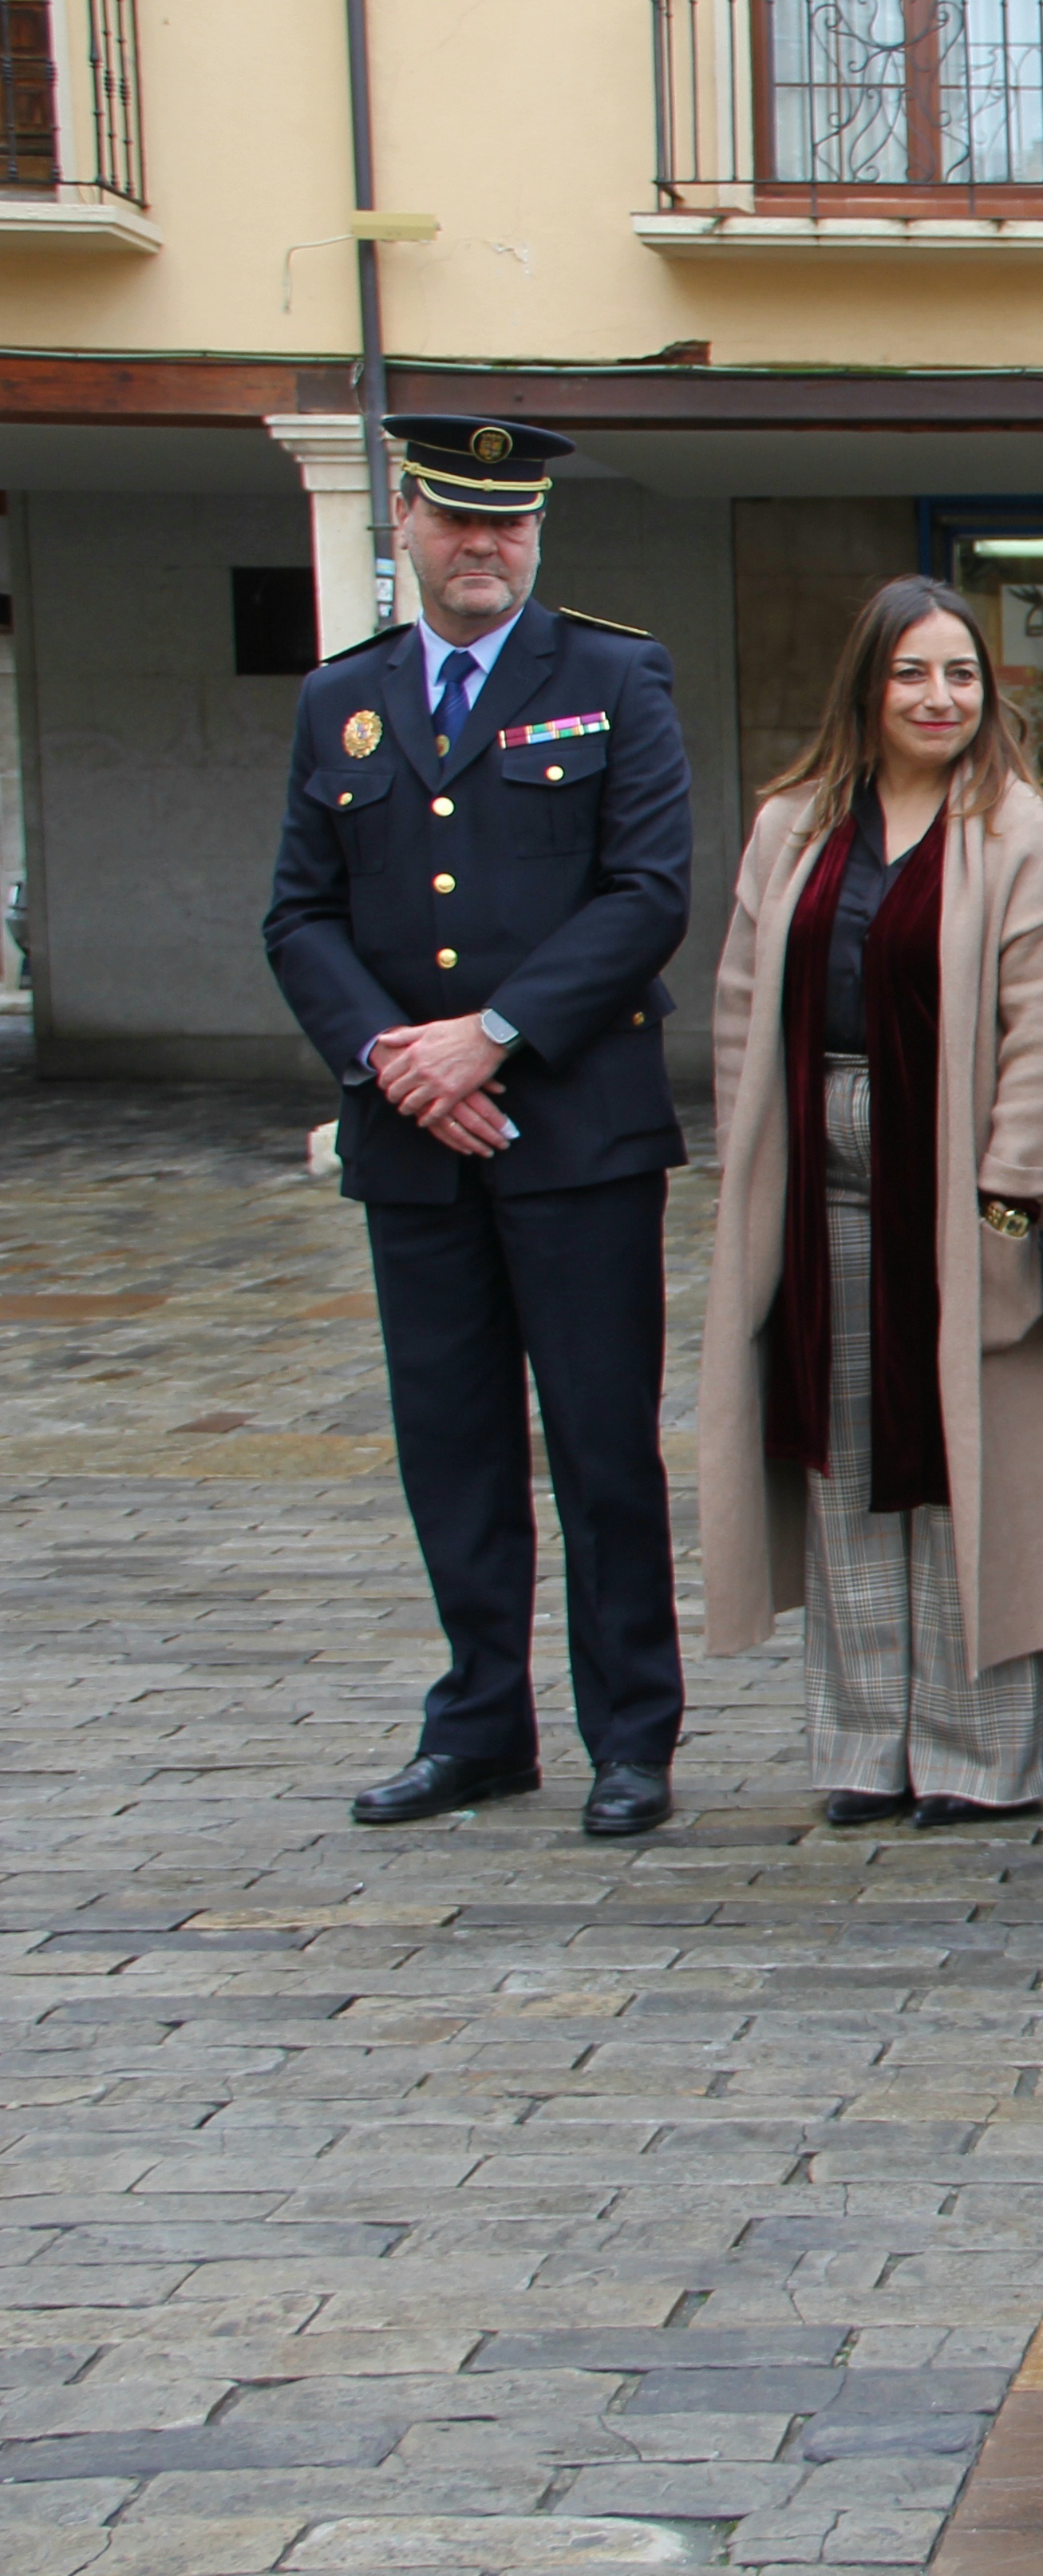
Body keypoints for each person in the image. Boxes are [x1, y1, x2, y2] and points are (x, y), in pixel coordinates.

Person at [260, 415, 696, 1840]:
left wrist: (490, 1039)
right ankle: (479, 1728)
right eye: (457, 520)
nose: (483, 547)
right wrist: (393, 1058)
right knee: (449, 1445)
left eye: (508, 524)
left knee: (600, 1446)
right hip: (413, 1142)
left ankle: (631, 1735)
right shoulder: (346, 700)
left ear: (538, 537)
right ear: (405, 523)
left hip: (574, 1138)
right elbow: (300, 913)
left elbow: (646, 895)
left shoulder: (616, 677)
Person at [695, 578, 1043, 1825]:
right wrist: (751, 1162)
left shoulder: (1019, 831)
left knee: (966, 1471)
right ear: (867, 690)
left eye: (963, 675)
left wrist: (1006, 1196)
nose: (941, 698)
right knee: (843, 1458)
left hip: (961, 1196)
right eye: (914, 675)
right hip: (818, 1197)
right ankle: (865, 1749)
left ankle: (977, 1759)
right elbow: (735, 1010)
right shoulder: (792, 827)